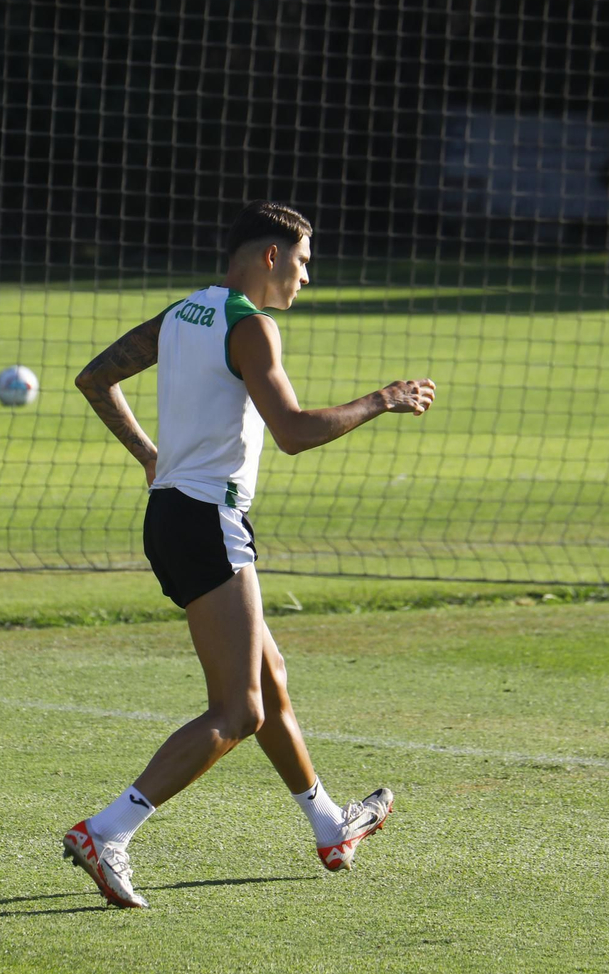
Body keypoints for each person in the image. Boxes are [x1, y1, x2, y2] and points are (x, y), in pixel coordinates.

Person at [67, 201, 436, 908]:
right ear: (270, 257)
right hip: (209, 520)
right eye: (302, 263)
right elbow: (293, 431)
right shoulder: (250, 326)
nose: (305, 278)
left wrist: (152, 456)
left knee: (270, 679)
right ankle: (107, 831)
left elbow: (94, 379)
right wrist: (382, 399)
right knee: (237, 712)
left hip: (171, 515)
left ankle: (330, 823)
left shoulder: (183, 314)